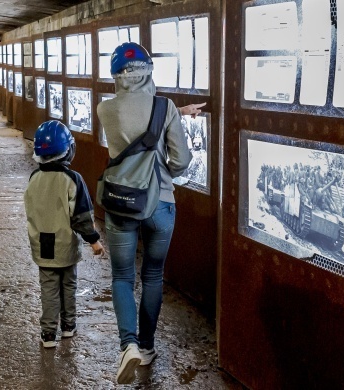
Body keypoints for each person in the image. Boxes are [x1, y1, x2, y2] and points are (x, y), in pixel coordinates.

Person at [95, 42, 203, 384]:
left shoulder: (104, 109)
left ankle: (128, 345)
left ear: (116, 76)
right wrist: (163, 177)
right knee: (153, 276)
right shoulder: (165, 107)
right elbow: (182, 160)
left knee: (122, 277)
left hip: (120, 203)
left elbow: (132, 118)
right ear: (149, 70)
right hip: (160, 205)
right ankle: (148, 344)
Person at [25, 120, 103, 348]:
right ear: (68, 150)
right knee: (68, 284)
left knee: (48, 288)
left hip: (42, 243)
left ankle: (48, 333)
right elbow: (81, 216)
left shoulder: (33, 178)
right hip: (66, 243)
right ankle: (68, 326)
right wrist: (94, 241)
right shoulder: (73, 179)